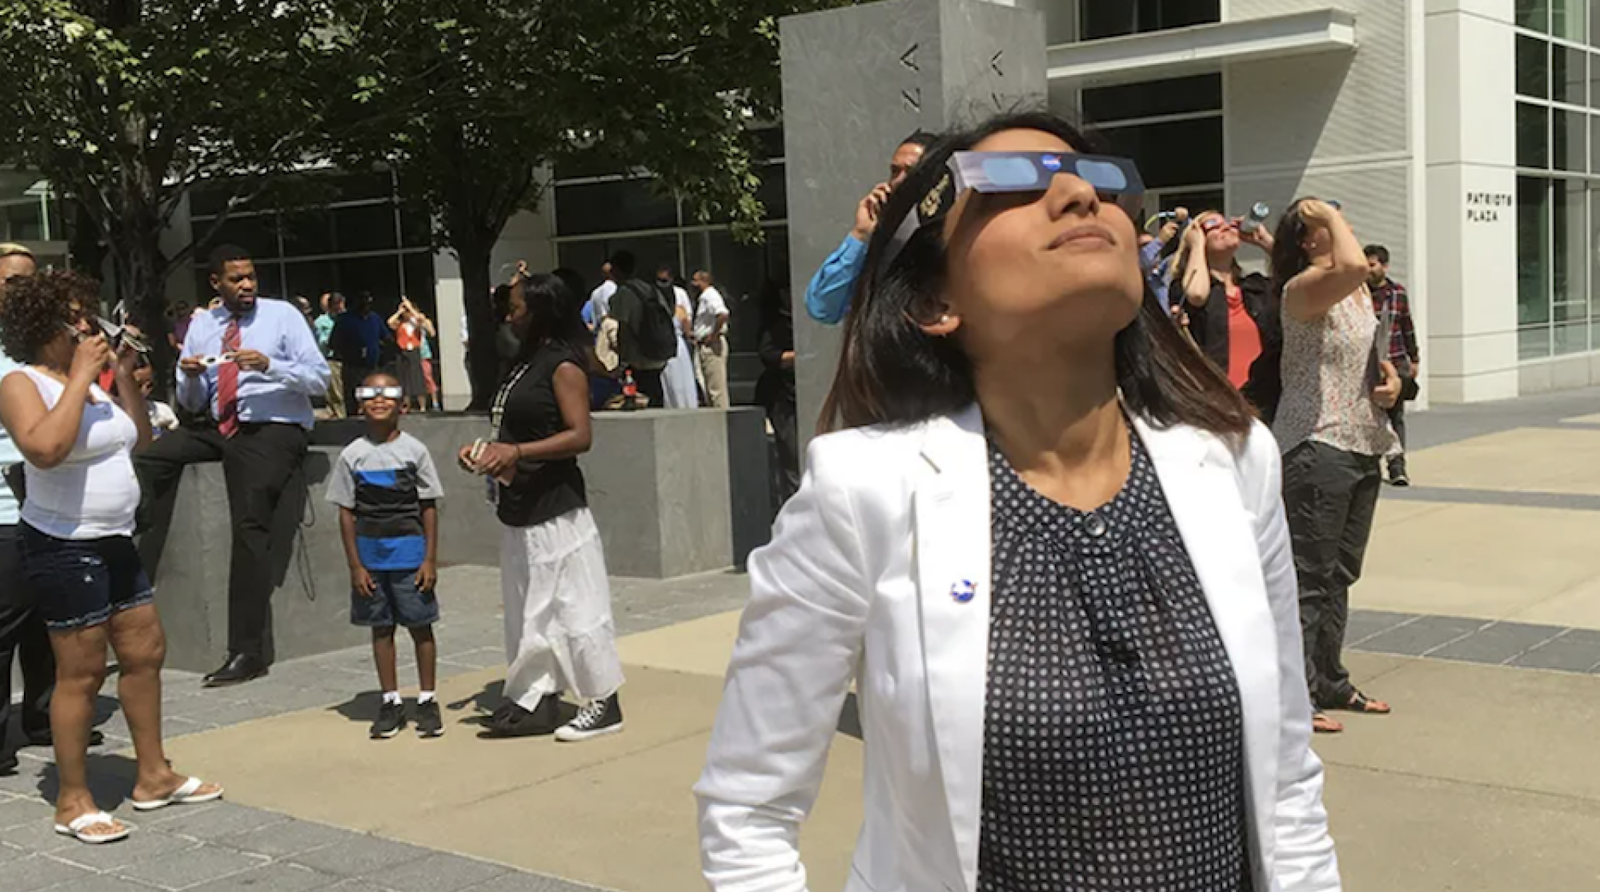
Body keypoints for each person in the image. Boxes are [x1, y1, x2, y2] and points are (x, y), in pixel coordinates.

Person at [696, 112, 1339, 892]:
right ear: (935, 302)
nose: (1075, 194)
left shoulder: (1235, 460)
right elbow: (748, 812)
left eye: (1101, 182)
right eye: (1008, 186)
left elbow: (1287, 778)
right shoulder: (861, 490)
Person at [0, 270, 222, 844]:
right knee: (82, 670)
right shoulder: (24, 382)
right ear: (43, 324)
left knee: (145, 650)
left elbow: (141, 441)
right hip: (63, 545)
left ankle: (153, 775)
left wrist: (119, 376)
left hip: (114, 538)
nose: (86, 325)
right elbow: (44, 449)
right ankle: (72, 800)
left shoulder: (91, 384)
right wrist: (79, 376)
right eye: (76, 317)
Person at [135, 244, 331, 688]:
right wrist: (186, 376)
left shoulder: (282, 317)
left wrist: (272, 366)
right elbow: (190, 403)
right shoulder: (204, 326)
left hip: (272, 427)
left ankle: (247, 650)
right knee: (149, 458)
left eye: (251, 277)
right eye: (237, 279)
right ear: (216, 284)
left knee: (249, 523)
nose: (246, 285)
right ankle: (135, 534)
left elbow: (319, 379)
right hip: (215, 424)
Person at [464, 273, 624, 742]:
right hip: (519, 507)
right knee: (528, 612)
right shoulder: (524, 360)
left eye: (516, 306)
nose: (509, 313)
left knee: (576, 608)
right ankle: (536, 697)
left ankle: (604, 701)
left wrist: (516, 453)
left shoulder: (563, 364)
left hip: (558, 510)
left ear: (540, 311)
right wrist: (488, 451)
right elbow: (515, 429)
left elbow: (580, 436)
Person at [1270, 200, 1401, 736]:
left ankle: (1330, 681)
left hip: (1362, 442)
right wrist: (1322, 211)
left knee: (1339, 576)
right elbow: (1352, 262)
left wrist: (1391, 384)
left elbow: (1370, 359)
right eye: (1330, 223)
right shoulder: (1304, 288)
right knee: (1309, 579)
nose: (1346, 226)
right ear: (1307, 239)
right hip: (1316, 443)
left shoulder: (1356, 292)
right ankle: (1295, 695)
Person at [328, 371, 445, 740]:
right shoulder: (353, 455)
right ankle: (391, 700)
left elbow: (428, 506)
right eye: (370, 394)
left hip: (410, 557)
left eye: (388, 394)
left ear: (403, 404)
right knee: (381, 629)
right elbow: (346, 512)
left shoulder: (415, 451)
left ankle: (427, 698)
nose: (379, 400)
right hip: (371, 559)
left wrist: (429, 559)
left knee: (420, 627)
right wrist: (355, 565)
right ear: (359, 404)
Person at [804, 132, 937, 324]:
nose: (898, 180)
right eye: (894, 171)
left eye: (911, 171)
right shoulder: (880, 241)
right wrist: (860, 235)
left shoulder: (952, 229)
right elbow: (822, 307)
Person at [1177, 209, 1283, 419]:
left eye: (1226, 222)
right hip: (1216, 403)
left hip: (1264, 403)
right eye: (1213, 225)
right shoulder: (1188, 288)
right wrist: (1196, 245)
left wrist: (1266, 242)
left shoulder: (1255, 287)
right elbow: (1197, 295)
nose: (1225, 226)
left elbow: (1299, 281)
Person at [1366, 244, 1419, 486]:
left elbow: (1407, 326)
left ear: (1384, 266)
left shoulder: (1398, 293)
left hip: (1395, 361)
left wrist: (1414, 357)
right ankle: (1370, 466)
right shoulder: (1358, 294)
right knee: (1368, 415)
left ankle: (1397, 466)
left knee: (1395, 415)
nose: (1368, 268)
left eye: (1372, 264)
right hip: (1366, 365)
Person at [605, 251, 676, 408]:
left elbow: (623, 328)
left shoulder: (625, 292)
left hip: (639, 357)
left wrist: (621, 360)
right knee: (656, 395)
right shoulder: (650, 289)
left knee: (641, 401)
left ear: (615, 270)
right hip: (657, 353)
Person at [755, 282, 797, 509]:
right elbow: (768, 355)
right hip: (782, 395)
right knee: (791, 455)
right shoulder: (776, 323)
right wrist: (796, 356)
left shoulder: (805, 320)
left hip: (798, 394)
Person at [331, 292, 384, 414]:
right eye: (363, 302)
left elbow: (385, 337)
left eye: (368, 302)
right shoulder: (344, 319)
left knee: (371, 395)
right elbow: (334, 343)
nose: (366, 306)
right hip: (352, 366)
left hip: (371, 365)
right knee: (352, 397)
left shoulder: (374, 318)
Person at [657, 265, 700, 409]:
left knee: (682, 378)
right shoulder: (654, 295)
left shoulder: (679, 294)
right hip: (663, 342)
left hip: (676, 342)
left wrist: (688, 334)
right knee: (669, 380)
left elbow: (685, 318)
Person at [690, 270, 731, 409]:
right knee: (707, 386)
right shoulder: (703, 298)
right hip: (702, 344)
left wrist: (713, 335)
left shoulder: (710, 296)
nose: (693, 284)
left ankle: (722, 419)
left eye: (695, 281)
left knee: (716, 389)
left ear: (704, 281)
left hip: (712, 345)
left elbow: (722, 314)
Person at [388, 297, 434, 412]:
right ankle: (405, 404)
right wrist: (399, 311)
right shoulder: (400, 324)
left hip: (414, 350)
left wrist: (410, 308)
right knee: (404, 379)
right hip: (403, 351)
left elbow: (420, 319)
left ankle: (422, 405)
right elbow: (390, 322)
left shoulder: (416, 321)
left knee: (417, 377)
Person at [315, 293, 346, 419]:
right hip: (331, 359)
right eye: (336, 304)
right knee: (336, 391)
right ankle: (340, 415)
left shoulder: (347, 319)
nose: (340, 307)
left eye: (341, 303)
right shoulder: (321, 322)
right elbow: (321, 341)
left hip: (348, 359)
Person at [132, 364, 179, 437]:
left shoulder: (163, 411)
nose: (144, 390)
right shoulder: (117, 414)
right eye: (139, 385)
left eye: (149, 385)